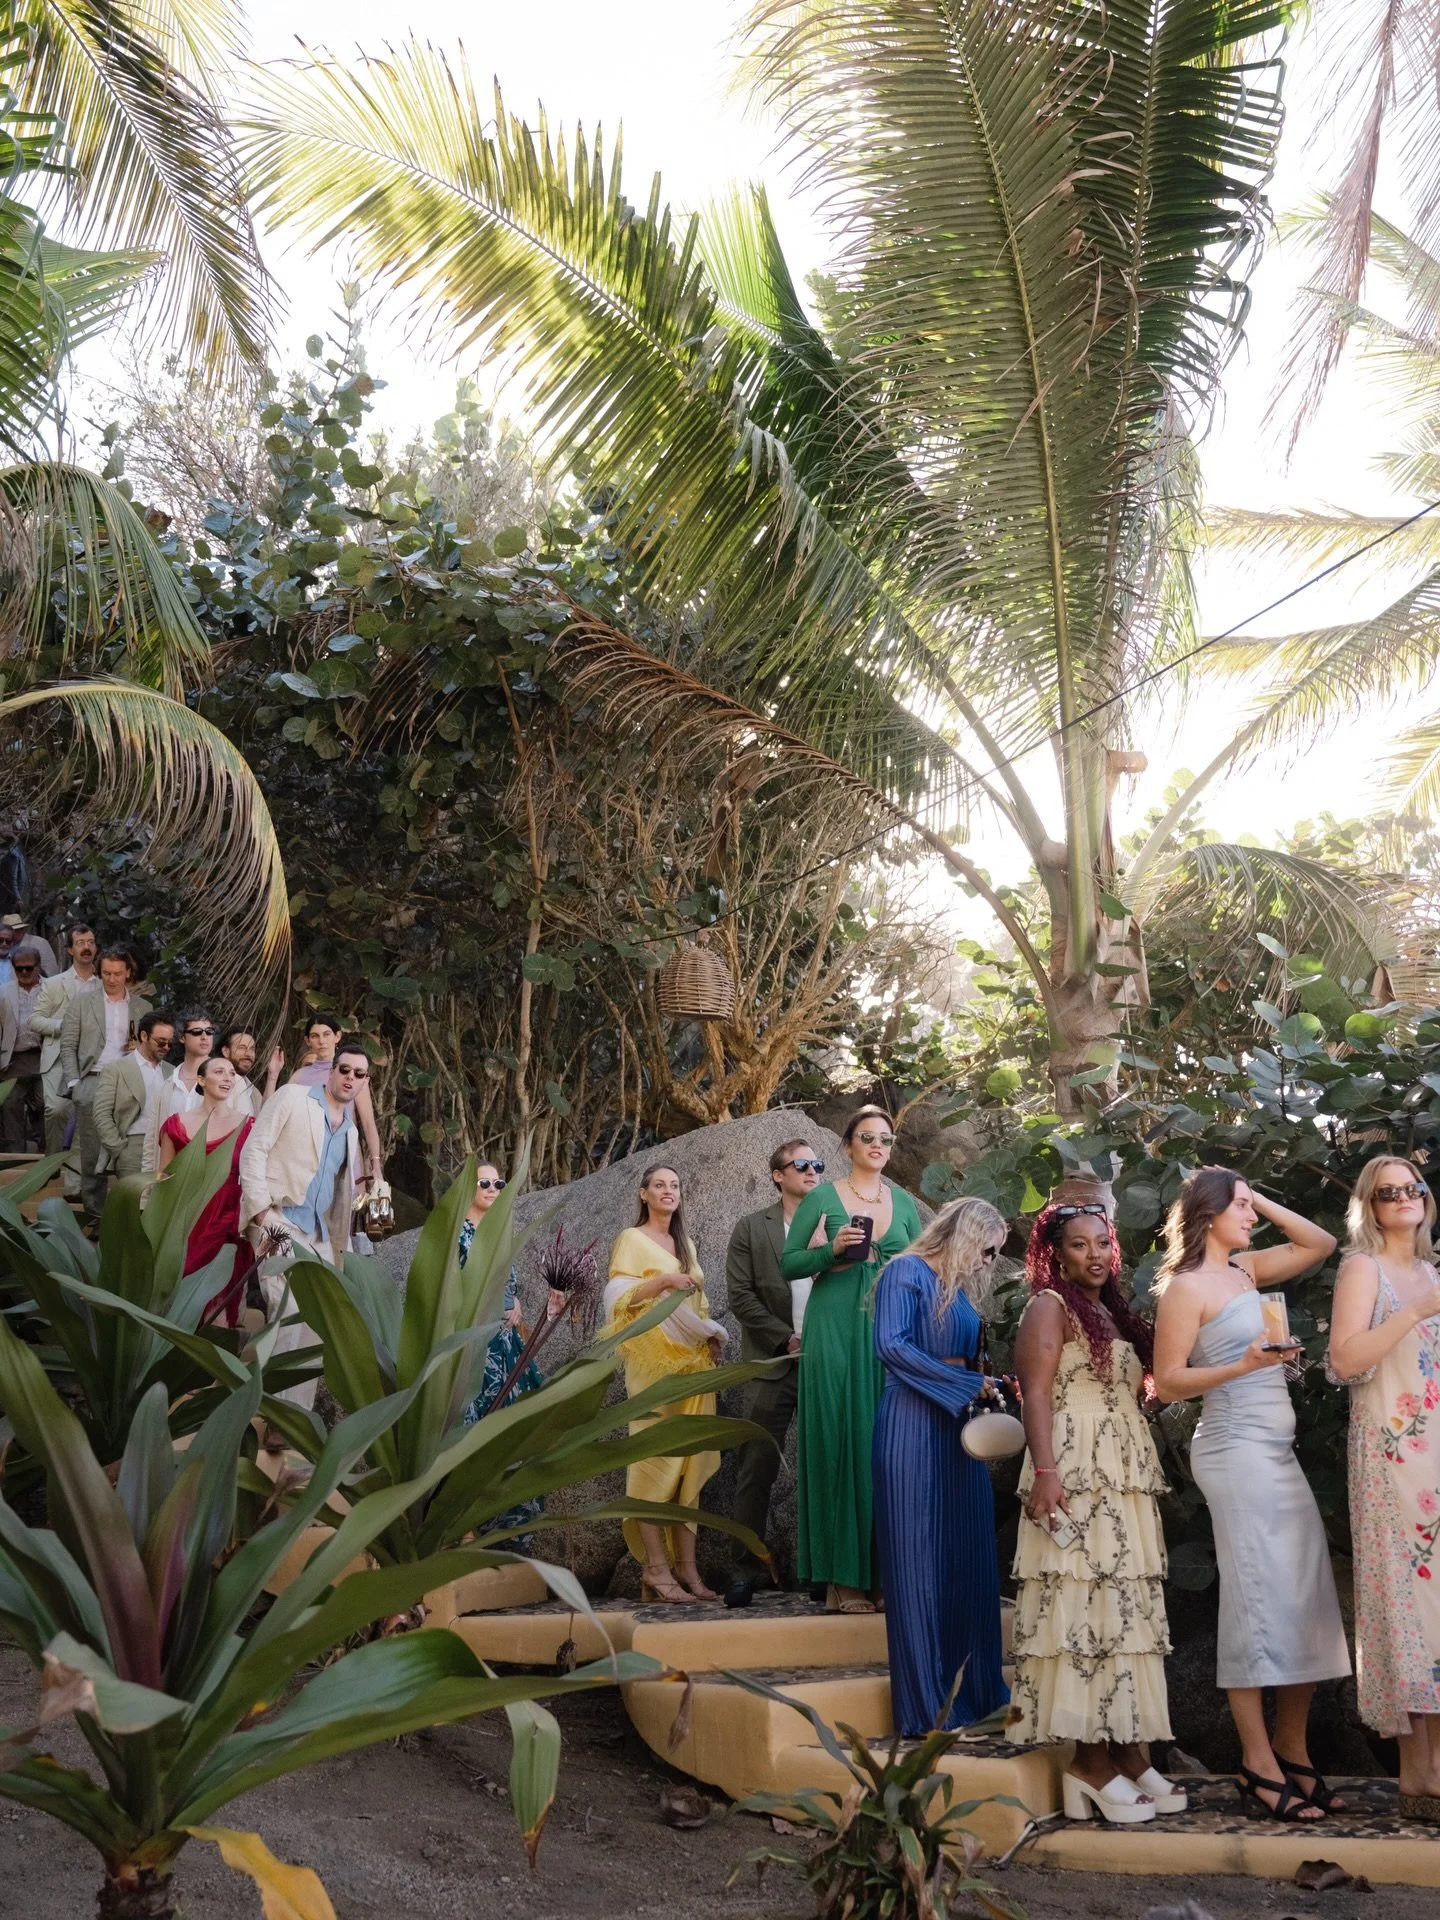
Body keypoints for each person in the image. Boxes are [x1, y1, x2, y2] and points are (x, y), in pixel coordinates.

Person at [1153, 1168, 1348, 1823]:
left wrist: (1251, 1191)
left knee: (1307, 1600)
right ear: (1208, 1214)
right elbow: (1171, 1382)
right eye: (1240, 1208)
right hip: (1234, 1453)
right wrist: (1243, 1365)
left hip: (1279, 1454)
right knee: (1258, 1603)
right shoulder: (1186, 1288)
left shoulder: (1244, 1271)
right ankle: (1257, 1761)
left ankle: (1294, 1751)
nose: (1252, 1218)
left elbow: (1320, 1241)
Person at [1008, 1199, 1181, 1824]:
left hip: (1124, 1474)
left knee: (1125, 1610)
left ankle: (1128, 1752)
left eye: (1103, 1244)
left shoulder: (1111, 1311)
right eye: (1080, 1245)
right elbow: (1035, 1396)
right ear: (1055, 1253)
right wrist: (1048, 1474)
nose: (1097, 1255)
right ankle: (1089, 1763)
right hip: (1076, 1472)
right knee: (1085, 1607)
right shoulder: (1047, 1308)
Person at [1327, 1156, 1440, 1819]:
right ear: (1370, 1206)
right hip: (1392, 1456)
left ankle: (1436, 1771)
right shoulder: (1363, 1269)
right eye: (1388, 1192)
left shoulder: (1433, 1270)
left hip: (1437, 1455)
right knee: (1403, 1604)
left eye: (1413, 1188)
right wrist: (1418, 1310)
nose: (1404, 1198)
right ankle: (1415, 1774)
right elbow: (1345, 1360)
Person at [874, 1196, 1011, 1735]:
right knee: (919, 1565)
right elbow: (890, 1345)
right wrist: (962, 1383)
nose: (989, 1260)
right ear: (965, 1233)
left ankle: (979, 1695)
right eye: (987, 1247)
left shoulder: (956, 1292)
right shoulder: (904, 1272)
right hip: (911, 1424)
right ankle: (931, 1709)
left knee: (970, 1561)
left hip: (959, 1430)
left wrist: (988, 1383)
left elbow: (963, 1358)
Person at [781, 1105, 924, 1613]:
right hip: (835, 1324)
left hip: (887, 1330)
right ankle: (841, 1580)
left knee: (882, 1446)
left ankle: (881, 1573)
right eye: (867, 1137)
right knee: (839, 1439)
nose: (878, 1145)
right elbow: (788, 1262)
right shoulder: (823, 1195)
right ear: (848, 1145)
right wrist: (830, 1251)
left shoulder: (904, 1202)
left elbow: (921, 1266)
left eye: (886, 1137)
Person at [605, 1164, 725, 1604]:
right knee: (652, 1460)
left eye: (675, 1185)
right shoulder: (631, 1240)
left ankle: (687, 1570)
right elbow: (618, 1297)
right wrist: (663, 1283)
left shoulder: (687, 1244)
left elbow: (700, 1302)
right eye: (659, 1185)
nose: (668, 1191)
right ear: (643, 1194)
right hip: (653, 1365)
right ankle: (655, 1568)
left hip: (693, 1366)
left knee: (690, 1464)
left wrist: (711, 1337)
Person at [722, 1138, 825, 1608]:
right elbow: (741, 1297)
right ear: (777, 1175)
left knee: (828, 1466)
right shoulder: (751, 1228)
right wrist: (786, 1337)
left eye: (816, 1164)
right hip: (773, 1363)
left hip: (828, 1364)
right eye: (800, 1165)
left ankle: (824, 1572)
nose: (810, 1171)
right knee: (755, 1469)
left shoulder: (836, 1224)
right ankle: (744, 1570)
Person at [239, 1041, 368, 1413]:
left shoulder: (350, 1131)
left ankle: (292, 1418)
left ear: (364, 1082)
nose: (350, 1078)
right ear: (331, 1070)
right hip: (279, 1221)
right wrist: (262, 1214)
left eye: (359, 1074)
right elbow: (254, 1150)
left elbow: (340, 1191)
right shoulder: (293, 1097)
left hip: (320, 1236)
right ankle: (269, 1408)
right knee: (287, 1311)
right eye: (344, 1070)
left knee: (315, 1327)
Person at [456, 1161, 565, 1543]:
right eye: (482, 1182)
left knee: (514, 1431)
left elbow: (507, 1283)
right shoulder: (458, 1235)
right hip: (473, 1350)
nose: (491, 1188)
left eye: (497, 1183)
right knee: (474, 1431)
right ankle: (466, 1525)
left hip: (505, 1347)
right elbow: (451, 1291)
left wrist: (515, 1303)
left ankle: (509, 1532)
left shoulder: (499, 1233)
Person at [156, 1054, 256, 1327]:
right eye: (219, 1071)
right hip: (188, 1221)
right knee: (184, 1301)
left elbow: (255, 1178)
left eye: (232, 1073)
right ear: (201, 1079)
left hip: (229, 1222)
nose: (228, 1077)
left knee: (221, 1309)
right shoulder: (175, 1125)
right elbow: (162, 1179)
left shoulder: (249, 1126)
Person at [60, 948, 151, 1229]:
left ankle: (132, 1215)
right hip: (93, 1079)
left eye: (117, 973)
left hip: (130, 1080)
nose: (111, 979)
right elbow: (68, 1045)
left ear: (128, 973)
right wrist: (75, 1083)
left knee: (133, 1150)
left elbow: (155, 1048)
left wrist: (140, 1049)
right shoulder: (81, 1003)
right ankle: (96, 1217)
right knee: (91, 1154)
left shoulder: (142, 1008)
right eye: (106, 973)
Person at [32, 924, 99, 1193]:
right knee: (56, 1110)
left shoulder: (105, 985)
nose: (87, 946)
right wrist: (65, 1025)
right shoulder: (53, 983)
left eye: (91, 941)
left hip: (92, 1061)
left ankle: (73, 1185)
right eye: (81, 942)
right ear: (70, 949)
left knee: (83, 1118)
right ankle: (52, 1161)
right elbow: (34, 1020)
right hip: (58, 1058)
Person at [289, 1011, 382, 1183]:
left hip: (344, 1157)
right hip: (304, 1158)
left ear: (337, 1036)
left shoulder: (353, 1075)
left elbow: (368, 1122)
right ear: (307, 1041)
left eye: (326, 1034)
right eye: (315, 1036)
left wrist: (375, 1163)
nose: (321, 1041)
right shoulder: (299, 1077)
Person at [92, 1010, 175, 1185]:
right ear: (144, 1036)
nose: (166, 1047)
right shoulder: (116, 1069)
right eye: (161, 1042)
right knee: (134, 1207)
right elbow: (101, 1113)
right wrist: (118, 1148)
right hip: (133, 1143)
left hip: (168, 1146)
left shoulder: (172, 1071)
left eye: (170, 1043)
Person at [0, 946, 48, 1151]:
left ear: (38, 966)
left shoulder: (52, 988)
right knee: (10, 1106)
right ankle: (15, 1158)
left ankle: (48, 1155)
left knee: (48, 1104)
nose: (25, 973)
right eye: (20, 969)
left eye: (29, 968)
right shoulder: (4, 992)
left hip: (45, 1057)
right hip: (14, 1059)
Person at [219, 1026, 284, 1119]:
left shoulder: (254, 1092)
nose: (248, 1054)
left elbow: (264, 1121)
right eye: (242, 1048)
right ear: (226, 1051)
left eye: (252, 1049)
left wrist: (273, 1075)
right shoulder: (217, 1084)